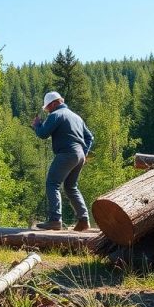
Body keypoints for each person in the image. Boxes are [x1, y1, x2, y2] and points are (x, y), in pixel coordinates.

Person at [31, 91, 94, 231]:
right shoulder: (76, 117)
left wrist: (37, 125)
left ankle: (55, 220)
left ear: (54, 104)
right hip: (79, 156)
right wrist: (83, 154)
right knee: (71, 187)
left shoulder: (56, 115)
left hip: (66, 153)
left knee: (52, 184)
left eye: (47, 108)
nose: (47, 111)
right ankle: (83, 220)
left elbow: (43, 134)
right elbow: (90, 137)